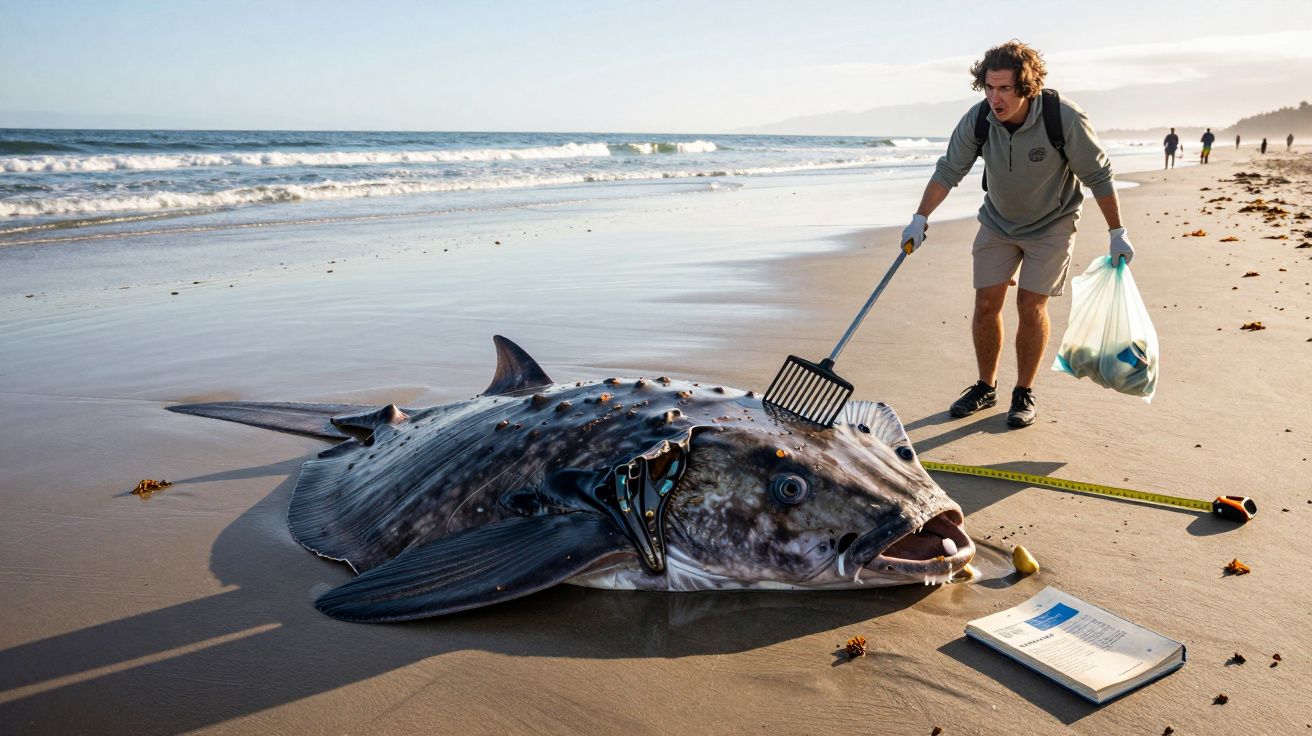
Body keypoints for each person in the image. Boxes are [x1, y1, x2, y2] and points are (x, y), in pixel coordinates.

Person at [901, 40, 1128, 429]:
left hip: (1052, 224)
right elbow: (947, 171)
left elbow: (1099, 175)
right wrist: (920, 218)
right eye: (989, 88)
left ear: (1027, 87)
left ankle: (1023, 392)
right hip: (998, 221)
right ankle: (985, 386)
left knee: (1030, 305)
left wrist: (1117, 232)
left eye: (1004, 88)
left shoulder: (1064, 118)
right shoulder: (978, 119)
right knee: (987, 304)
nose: (995, 97)